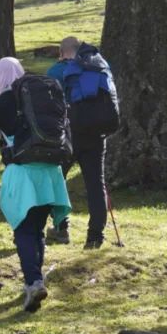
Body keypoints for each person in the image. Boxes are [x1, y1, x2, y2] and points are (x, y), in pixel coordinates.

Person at [0, 57, 72, 313]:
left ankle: (33, 281)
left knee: (23, 230)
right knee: (37, 227)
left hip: (23, 173)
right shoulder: (44, 99)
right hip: (50, 171)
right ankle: (35, 279)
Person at [45, 36, 119, 249]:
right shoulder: (99, 67)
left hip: (68, 134)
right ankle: (95, 236)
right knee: (96, 184)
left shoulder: (56, 72)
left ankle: (61, 228)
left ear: (61, 53)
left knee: (58, 179)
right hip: (96, 134)